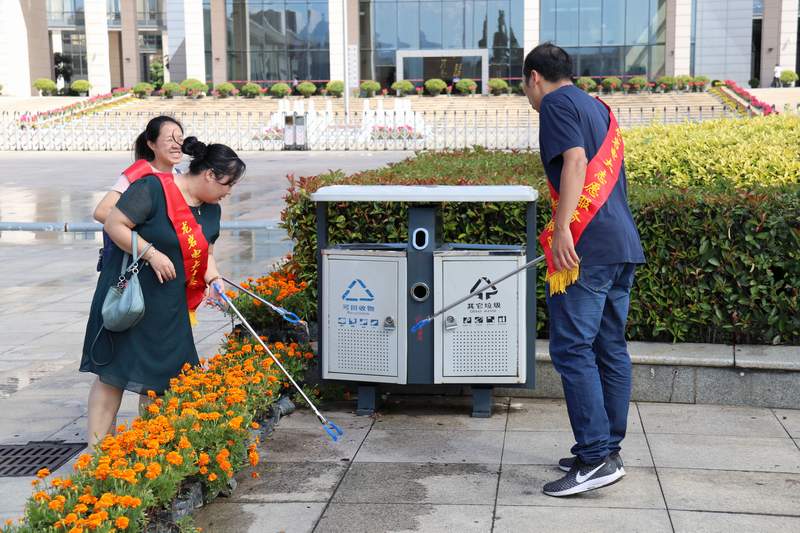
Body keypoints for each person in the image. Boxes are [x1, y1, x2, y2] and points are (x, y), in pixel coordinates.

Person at [521, 43, 645, 496]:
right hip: (621, 245)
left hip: (586, 250)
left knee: (573, 349)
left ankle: (594, 458)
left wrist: (561, 231)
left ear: (534, 78)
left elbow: (574, 161)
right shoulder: (598, 107)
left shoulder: (555, 104)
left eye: (525, 85)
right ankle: (607, 450)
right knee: (609, 348)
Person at [81, 136, 246, 449]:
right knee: (113, 374)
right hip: (133, 301)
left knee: (164, 382)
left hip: (171, 309)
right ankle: (97, 455)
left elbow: (206, 252)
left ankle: (151, 452)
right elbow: (115, 224)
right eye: (228, 184)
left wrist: (214, 278)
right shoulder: (153, 189)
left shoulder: (211, 211)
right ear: (209, 174)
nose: (229, 192)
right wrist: (151, 254)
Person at [94, 116, 184, 271]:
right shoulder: (138, 173)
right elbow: (101, 212)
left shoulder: (181, 176)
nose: (177, 145)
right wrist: (143, 234)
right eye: (169, 140)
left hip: (170, 262)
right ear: (151, 144)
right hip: (139, 263)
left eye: (180, 139)